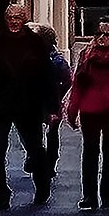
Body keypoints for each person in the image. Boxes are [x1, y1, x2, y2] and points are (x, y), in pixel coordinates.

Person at [0, 2, 55, 209]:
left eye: (17, 18)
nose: (13, 22)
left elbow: (47, 77)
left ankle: (42, 185)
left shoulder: (36, 44)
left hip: (28, 104)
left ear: (24, 19)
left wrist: (52, 108)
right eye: (10, 18)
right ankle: (1, 193)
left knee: (35, 148)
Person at [65, 21, 109, 211]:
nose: (102, 38)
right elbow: (78, 84)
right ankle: (89, 195)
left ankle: (106, 194)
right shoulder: (87, 56)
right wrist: (72, 110)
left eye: (106, 35)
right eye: (98, 34)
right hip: (91, 109)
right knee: (91, 152)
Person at [33, 25, 72, 186]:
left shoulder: (49, 59)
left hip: (45, 100)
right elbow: (68, 80)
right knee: (50, 132)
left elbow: (67, 80)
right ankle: (48, 162)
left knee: (43, 132)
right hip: (50, 100)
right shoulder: (57, 59)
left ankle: (42, 160)